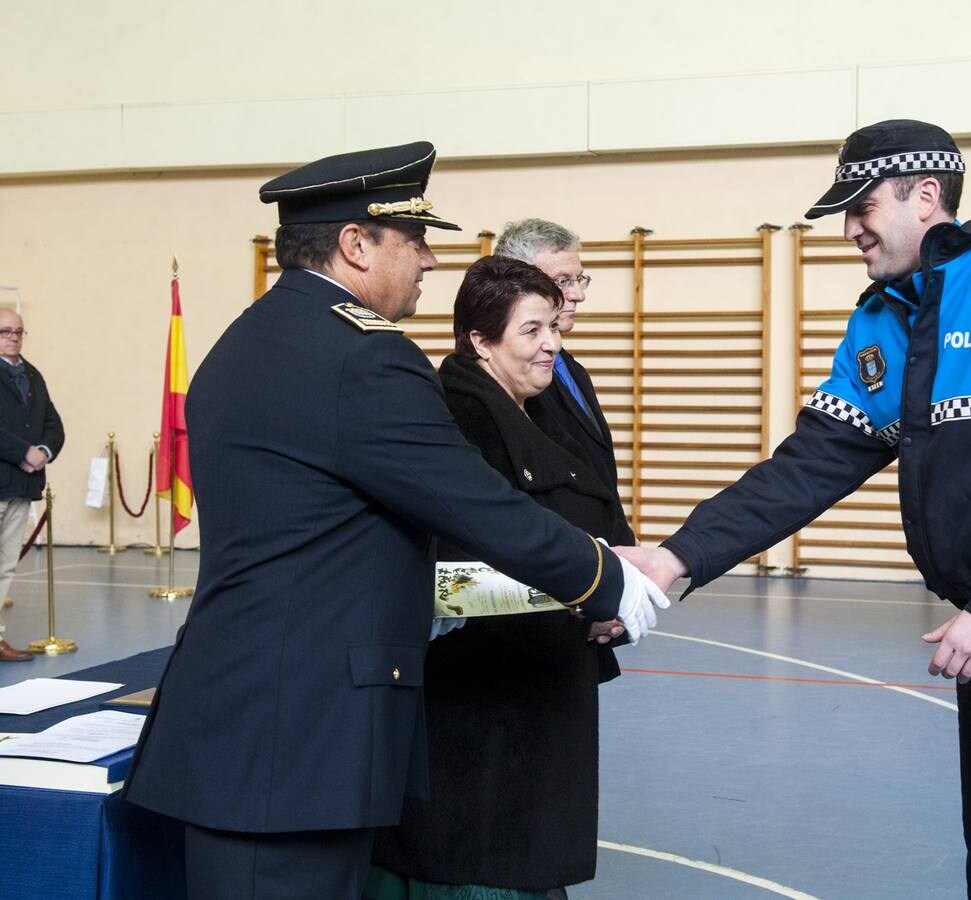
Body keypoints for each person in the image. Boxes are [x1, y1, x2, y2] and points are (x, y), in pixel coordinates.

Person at [616, 119, 971, 899]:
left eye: (861, 206)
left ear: (925, 195)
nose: (849, 230)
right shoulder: (883, 318)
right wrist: (677, 557)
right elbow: (808, 467)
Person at [121, 142, 668, 900]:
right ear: (355, 244)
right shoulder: (361, 358)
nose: (430, 263)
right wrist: (605, 577)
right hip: (295, 743)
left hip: (258, 724)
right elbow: (473, 501)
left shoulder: (254, 339)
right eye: (414, 242)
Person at [369, 256, 631, 900]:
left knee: (519, 856)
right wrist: (585, 596)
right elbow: (456, 572)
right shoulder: (463, 419)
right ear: (480, 342)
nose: (552, 345)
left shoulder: (533, 406)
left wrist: (611, 586)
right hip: (484, 700)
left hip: (535, 689)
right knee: (479, 862)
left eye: (555, 328)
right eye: (532, 330)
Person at [496, 219, 630, 529]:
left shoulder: (570, 368)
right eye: (562, 281)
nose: (577, 294)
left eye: (578, 279)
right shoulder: (507, 376)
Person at [0, 308, 63, 662]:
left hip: (21, 487)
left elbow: (54, 424)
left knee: (5, 566)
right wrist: (22, 451)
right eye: (5, 331)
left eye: (19, 331)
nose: (13, 337)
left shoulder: (33, 375)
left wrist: (42, 450)